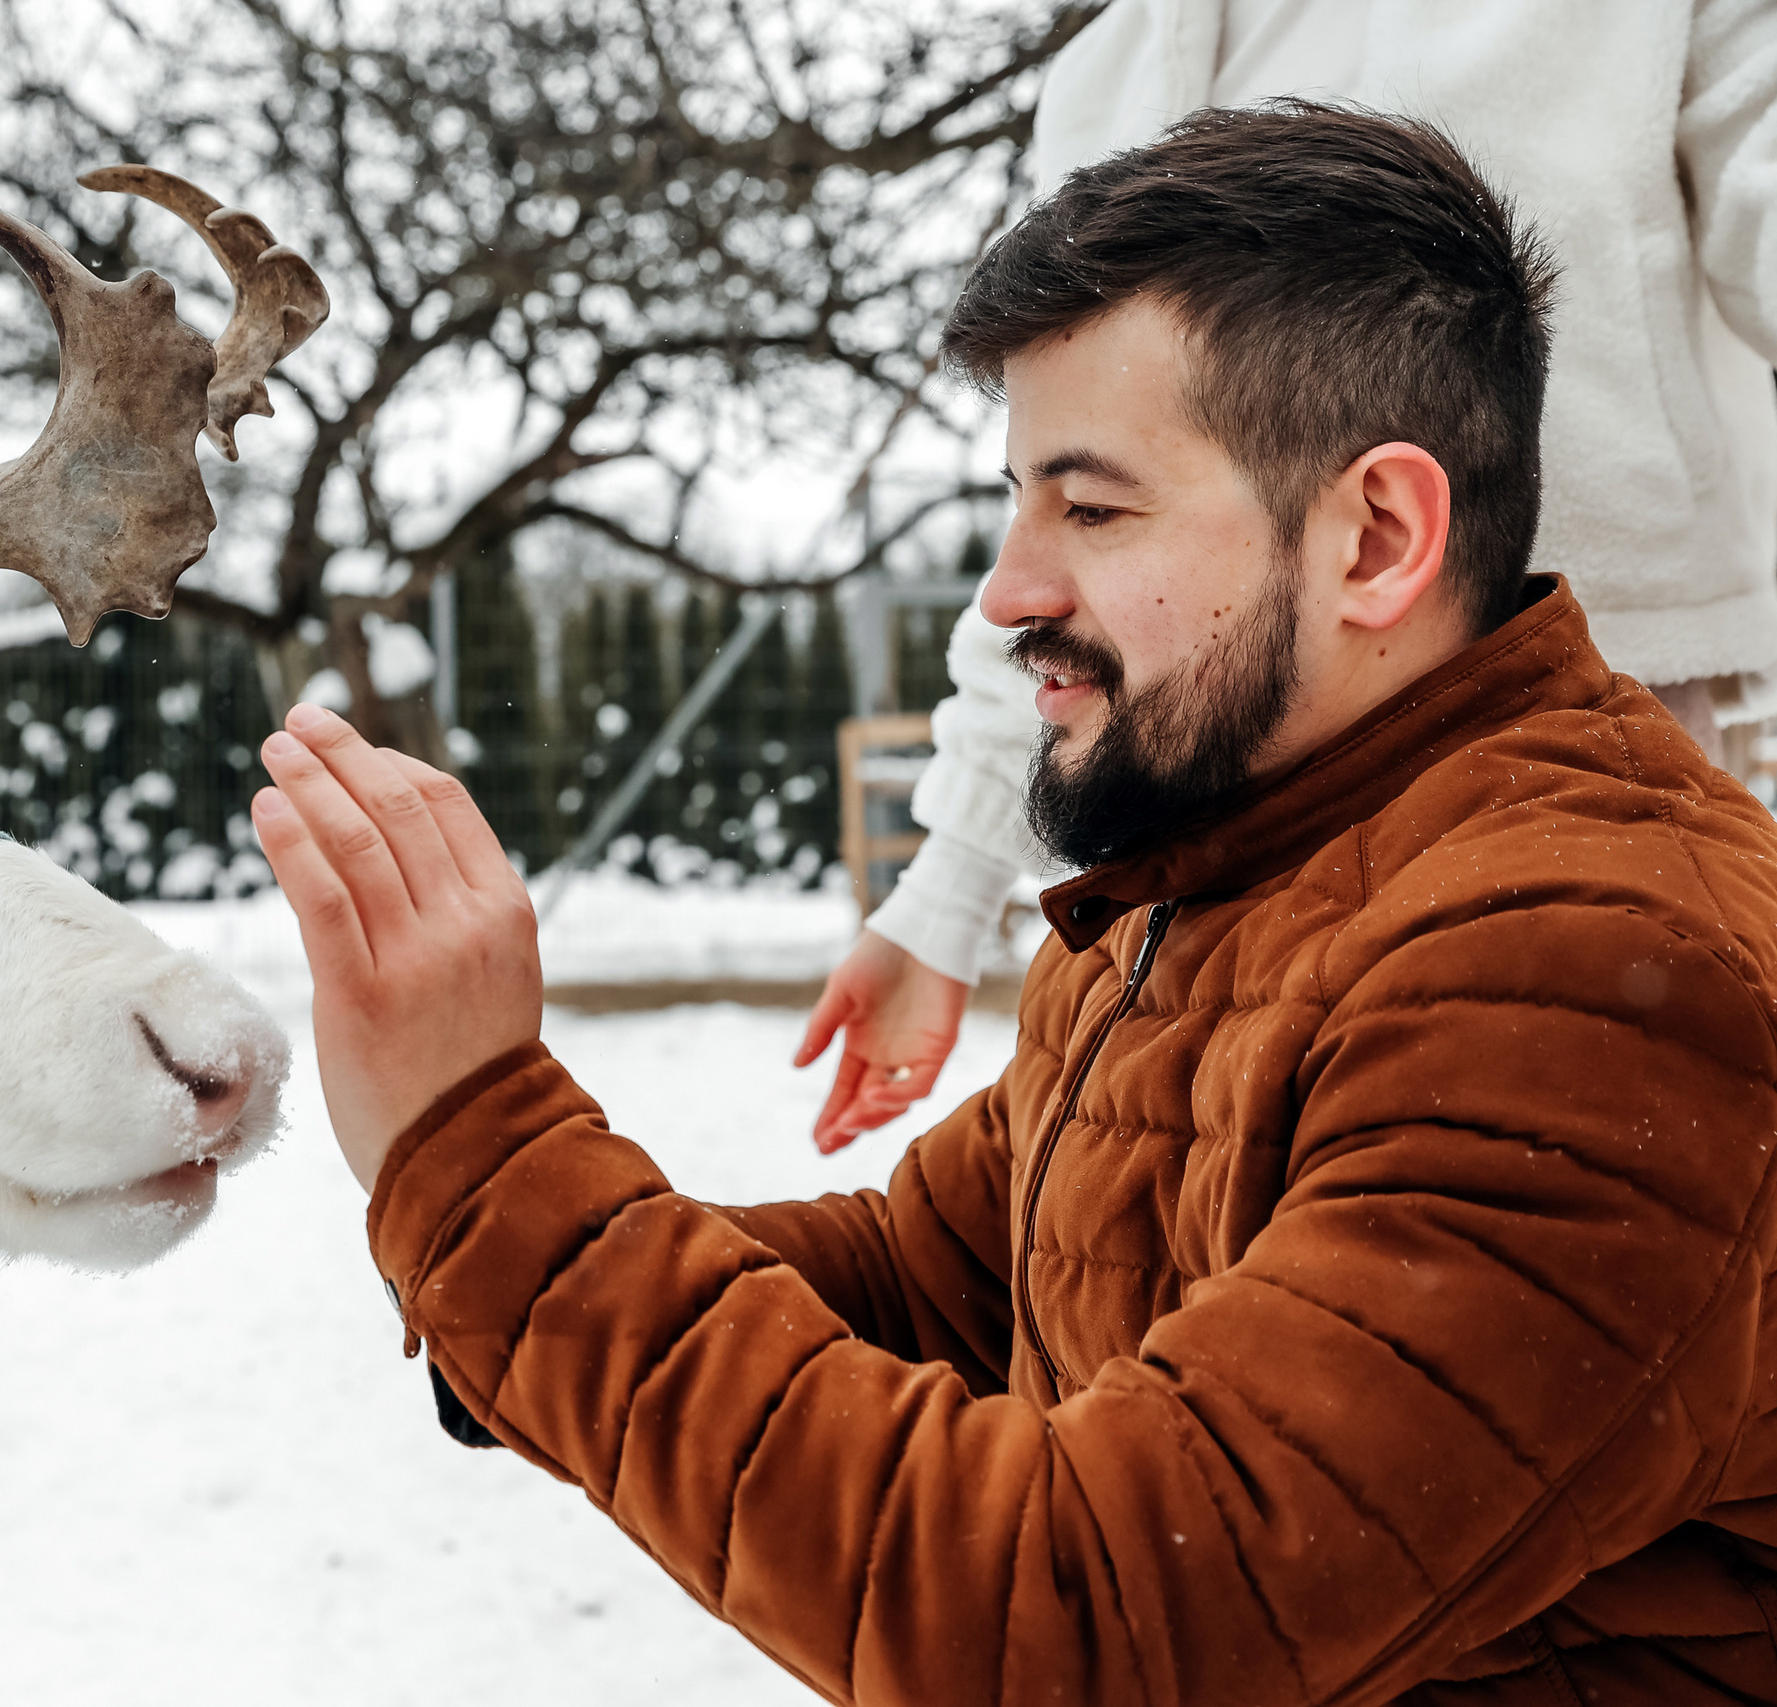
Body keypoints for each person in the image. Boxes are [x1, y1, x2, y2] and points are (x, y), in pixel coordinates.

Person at [252, 104, 1777, 1702]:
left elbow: (1082, 1621)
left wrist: (487, 1158)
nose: (1007, 589)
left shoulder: (1591, 979)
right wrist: (490, 1265)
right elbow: (942, 1285)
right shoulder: (1226, 884)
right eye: (1016, 497)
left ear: (1376, 537)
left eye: (1093, 507)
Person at [804, 0, 1777, 1154]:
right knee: (1172, 1261)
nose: (1005, 591)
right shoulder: (1106, 64)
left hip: (1560, 736)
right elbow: (1083, 525)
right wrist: (942, 895)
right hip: (1194, 779)